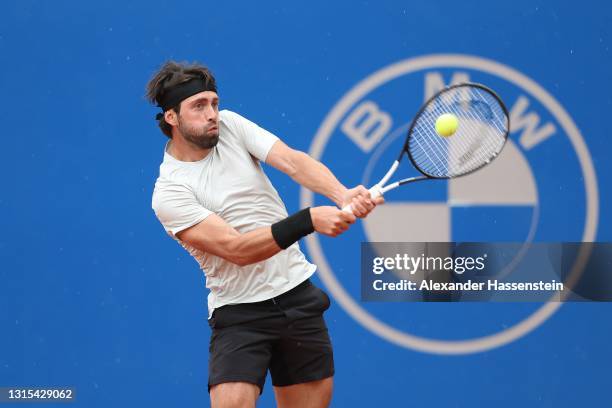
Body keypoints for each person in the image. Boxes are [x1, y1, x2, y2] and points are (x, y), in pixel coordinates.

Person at [146, 61, 383, 408]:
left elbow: (291, 161)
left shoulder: (232, 125)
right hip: (239, 316)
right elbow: (236, 249)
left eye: (214, 102)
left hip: (297, 298)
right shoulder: (169, 193)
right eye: (199, 106)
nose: (212, 113)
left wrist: (342, 194)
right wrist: (308, 220)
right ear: (172, 118)